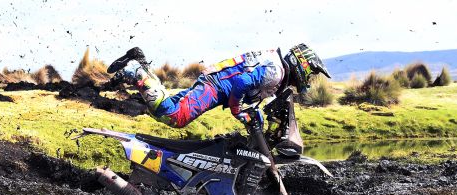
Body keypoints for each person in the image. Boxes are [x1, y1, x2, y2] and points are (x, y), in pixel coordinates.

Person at [106, 44, 330, 132]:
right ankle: (137, 73)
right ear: (302, 64)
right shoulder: (277, 71)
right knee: (174, 117)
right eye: (311, 72)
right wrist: (238, 110)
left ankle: (142, 63)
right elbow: (242, 83)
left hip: (215, 83)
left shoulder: (276, 64)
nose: (309, 78)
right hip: (215, 88)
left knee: (165, 108)